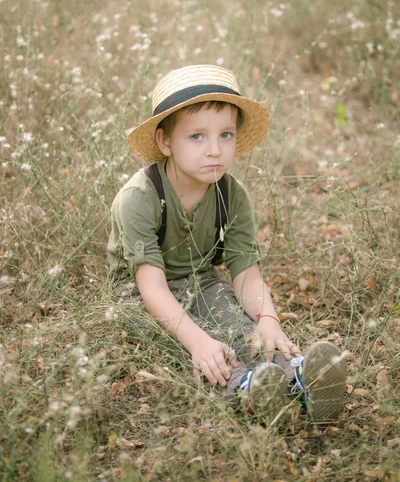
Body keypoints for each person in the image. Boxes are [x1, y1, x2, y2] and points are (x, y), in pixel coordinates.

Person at [108, 64, 347, 423]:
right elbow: (152, 288)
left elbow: (246, 275)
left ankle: (296, 379)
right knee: (201, 346)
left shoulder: (231, 195)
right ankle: (247, 391)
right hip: (139, 292)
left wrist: (268, 318)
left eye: (226, 135)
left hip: (199, 278)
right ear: (164, 141)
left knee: (240, 325)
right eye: (197, 137)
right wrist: (196, 341)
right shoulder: (139, 198)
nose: (215, 151)